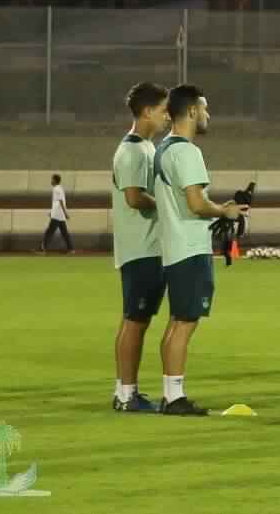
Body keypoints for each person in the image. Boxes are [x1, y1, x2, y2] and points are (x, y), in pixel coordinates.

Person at [150, 83, 246, 416]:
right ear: (191, 111)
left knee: (176, 322)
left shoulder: (163, 149)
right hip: (190, 249)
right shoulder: (188, 152)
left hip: (174, 248)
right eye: (204, 109)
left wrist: (217, 208)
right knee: (186, 323)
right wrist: (225, 211)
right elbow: (195, 203)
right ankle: (175, 398)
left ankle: (170, 392)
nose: (207, 115)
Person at [111, 81, 171, 413]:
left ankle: (124, 390)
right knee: (136, 320)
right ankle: (126, 394)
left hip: (147, 247)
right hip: (142, 249)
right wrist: (168, 204)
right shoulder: (133, 150)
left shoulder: (144, 148)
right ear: (147, 111)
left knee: (136, 319)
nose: (166, 117)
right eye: (163, 111)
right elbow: (134, 197)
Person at [42, 174, 73, 254]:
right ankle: (71, 249)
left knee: (49, 232)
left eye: (52, 179)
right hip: (59, 215)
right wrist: (52, 211)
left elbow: (60, 201)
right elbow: (57, 202)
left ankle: (42, 249)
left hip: (57, 215)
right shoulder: (60, 188)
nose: (51, 181)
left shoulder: (56, 189)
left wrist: (65, 213)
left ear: (55, 180)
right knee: (64, 233)